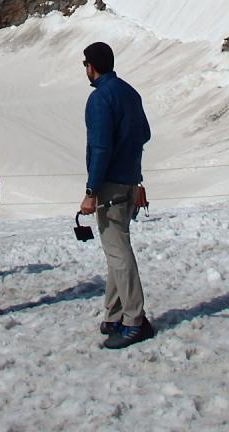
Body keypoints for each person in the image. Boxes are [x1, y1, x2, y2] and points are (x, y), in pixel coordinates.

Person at [78, 42, 154, 350]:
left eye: (85, 63)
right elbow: (145, 133)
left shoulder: (100, 98)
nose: (85, 69)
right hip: (130, 180)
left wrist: (91, 191)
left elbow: (100, 148)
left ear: (93, 66)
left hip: (109, 184)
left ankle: (135, 319)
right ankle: (114, 314)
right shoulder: (130, 93)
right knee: (116, 247)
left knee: (118, 250)